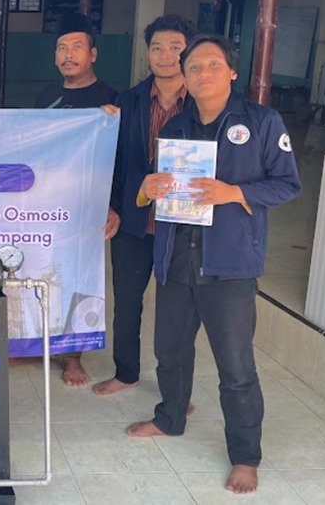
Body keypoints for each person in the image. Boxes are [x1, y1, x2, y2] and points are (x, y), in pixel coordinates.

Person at [126, 35, 301, 495]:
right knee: (170, 351)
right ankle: (170, 417)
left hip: (230, 264)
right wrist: (148, 188)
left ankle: (245, 456)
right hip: (177, 258)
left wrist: (234, 192)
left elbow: (288, 184)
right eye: (194, 67)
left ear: (232, 72)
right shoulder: (177, 127)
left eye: (213, 65)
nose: (203, 73)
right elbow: (155, 187)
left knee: (235, 366)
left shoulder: (261, 122)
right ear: (184, 77)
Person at [93, 15, 198, 396]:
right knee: (127, 303)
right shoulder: (127, 102)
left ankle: (176, 392)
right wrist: (111, 206)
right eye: (157, 47)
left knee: (178, 313)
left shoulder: (204, 104)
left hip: (183, 226)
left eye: (175, 48)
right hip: (133, 223)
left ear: (188, 53)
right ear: (147, 53)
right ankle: (126, 372)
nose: (165, 55)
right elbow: (113, 161)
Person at [35, 12, 119, 387]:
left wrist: (111, 204)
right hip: (47, 201)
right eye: (62, 48)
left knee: (80, 275)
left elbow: (118, 158)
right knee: (42, 270)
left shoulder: (111, 100)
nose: (68, 55)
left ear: (93, 54)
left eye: (77, 47)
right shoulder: (46, 95)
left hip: (87, 205)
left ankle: (73, 356)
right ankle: (38, 340)